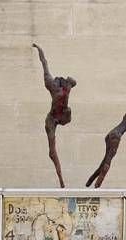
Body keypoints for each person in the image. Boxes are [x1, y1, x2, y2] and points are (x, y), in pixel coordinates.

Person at [32, 43, 76, 188]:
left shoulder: (64, 88)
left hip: (62, 116)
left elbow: (73, 81)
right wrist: (39, 49)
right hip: (52, 118)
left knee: (67, 110)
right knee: (52, 152)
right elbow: (44, 63)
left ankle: (61, 179)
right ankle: (61, 180)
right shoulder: (53, 85)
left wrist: (70, 82)